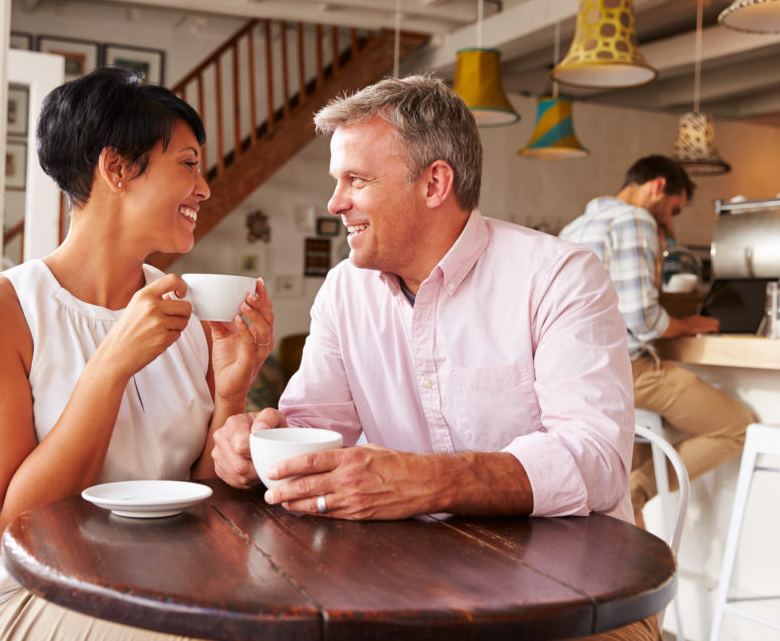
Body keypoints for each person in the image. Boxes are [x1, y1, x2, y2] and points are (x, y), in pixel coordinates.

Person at [213, 75, 658, 640]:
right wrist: (259, 445)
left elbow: (596, 461)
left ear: (434, 183)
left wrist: (426, 481)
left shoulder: (559, 277)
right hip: (411, 587)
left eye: (356, 180)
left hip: (574, 601)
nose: (334, 202)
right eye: (336, 181)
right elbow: (313, 428)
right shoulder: (343, 290)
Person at [0, 67, 274, 641]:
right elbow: (13, 530)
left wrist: (231, 392)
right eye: (188, 164)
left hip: (163, 580)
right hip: (20, 596)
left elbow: (205, 504)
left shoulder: (183, 312)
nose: (205, 187)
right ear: (116, 168)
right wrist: (111, 366)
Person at [559, 155, 754, 525]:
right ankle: (635, 492)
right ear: (659, 186)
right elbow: (643, 319)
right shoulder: (635, 219)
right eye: (674, 209)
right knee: (736, 426)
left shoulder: (575, 226)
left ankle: (626, 528)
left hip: (578, 376)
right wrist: (689, 324)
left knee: (629, 450)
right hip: (625, 370)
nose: (669, 220)